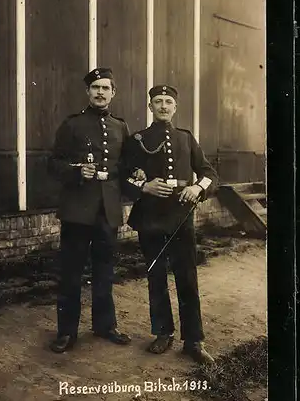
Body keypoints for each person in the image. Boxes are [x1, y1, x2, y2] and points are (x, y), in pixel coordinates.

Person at [124, 84, 219, 364]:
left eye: (168, 102)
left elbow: (209, 172)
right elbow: (124, 176)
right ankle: (163, 333)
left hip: (180, 214)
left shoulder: (186, 139)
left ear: (175, 107)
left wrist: (197, 188)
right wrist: (144, 186)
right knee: (156, 276)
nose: (163, 106)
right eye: (158, 102)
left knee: (187, 277)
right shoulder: (138, 139)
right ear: (150, 107)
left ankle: (194, 340)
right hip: (151, 215)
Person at [47, 67, 131, 353]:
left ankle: (104, 326)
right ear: (88, 92)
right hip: (77, 211)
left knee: (105, 271)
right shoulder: (72, 125)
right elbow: (53, 164)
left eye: (105, 88)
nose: (100, 92)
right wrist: (76, 170)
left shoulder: (121, 127)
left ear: (113, 93)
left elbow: (126, 167)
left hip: (107, 211)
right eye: (95, 87)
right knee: (71, 272)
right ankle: (67, 332)